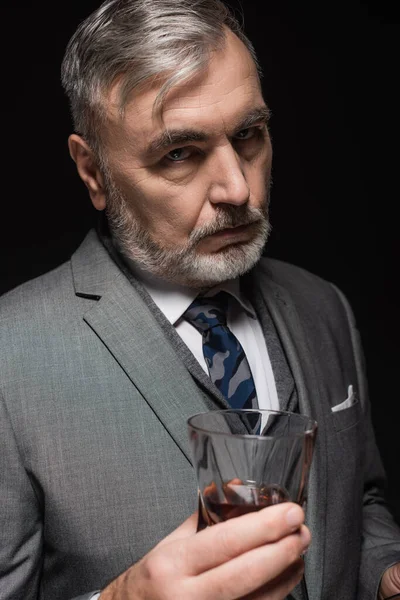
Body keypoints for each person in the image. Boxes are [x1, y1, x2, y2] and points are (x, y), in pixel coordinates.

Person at [0, 0, 399, 598]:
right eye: (179, 154)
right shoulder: (10, 356)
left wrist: (387, 573)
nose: (238, 188)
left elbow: (357, 506)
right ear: (92, 172)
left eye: (249, 135)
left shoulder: (324, 308)